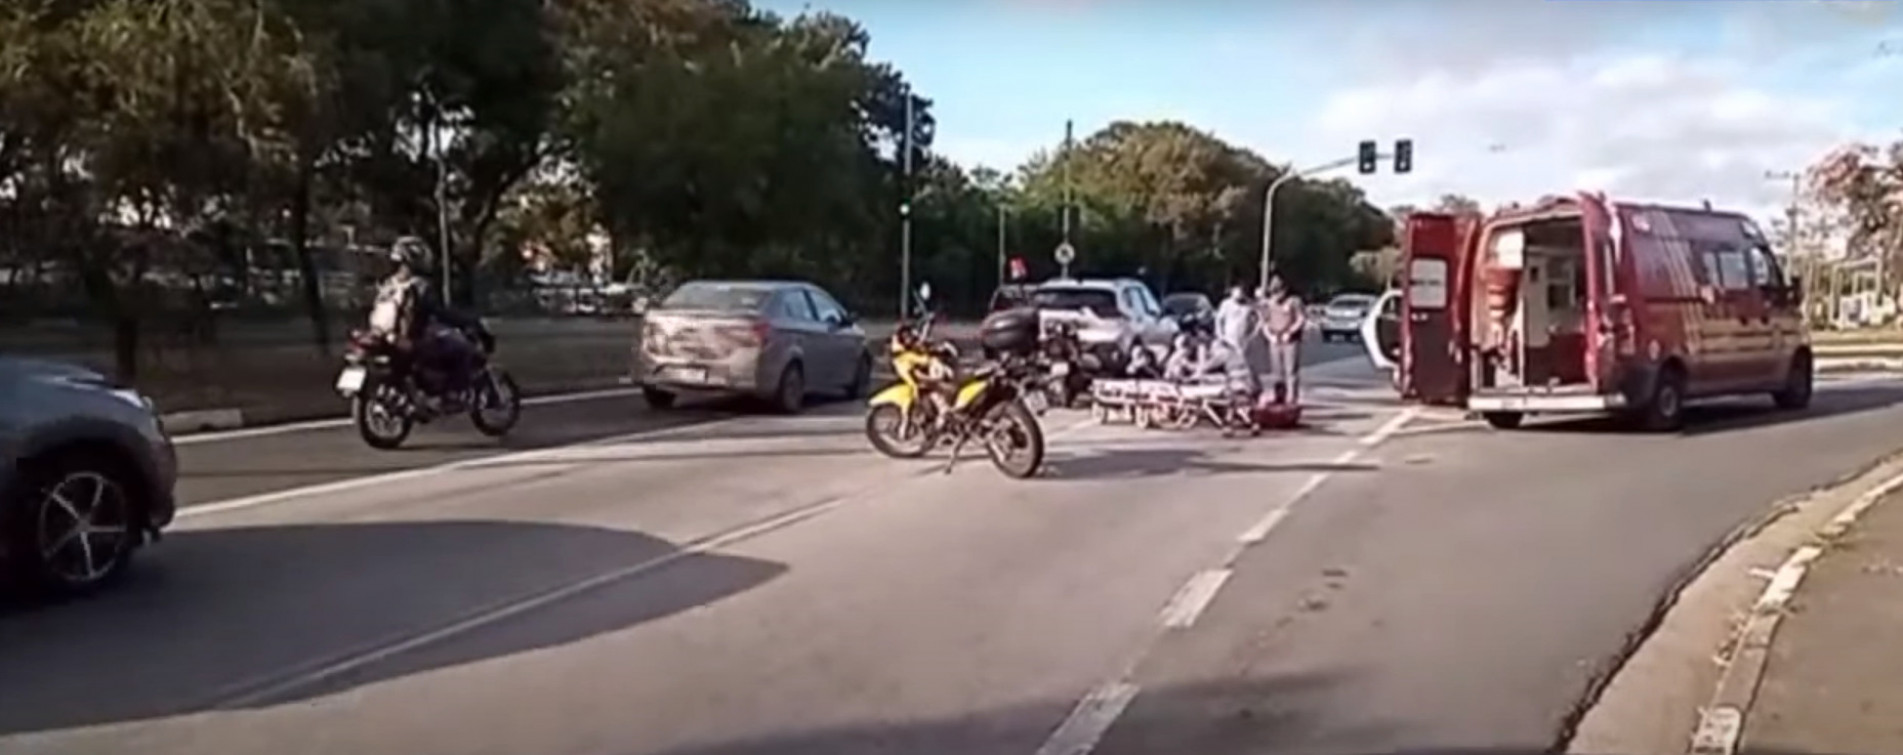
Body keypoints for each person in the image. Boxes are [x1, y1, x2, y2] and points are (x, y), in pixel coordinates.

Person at [367, 237, 487, 407]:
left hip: (385, 336)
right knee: (462, 348)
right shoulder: (420, 285)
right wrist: (467, 322)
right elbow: (441, 313)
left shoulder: (389, 284)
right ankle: (452, 394)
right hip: (413, 339)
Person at [1256, 275, 1307, 402]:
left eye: (1279, 292)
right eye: (1274, 293)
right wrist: (1270, 336)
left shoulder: (1294, 302)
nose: (1276, 296)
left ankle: (1292, 397)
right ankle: (1279, 396)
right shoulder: (1269, 304)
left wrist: (1290, 332)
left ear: (1284, 290)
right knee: (1276, 371)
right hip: (1274, 338)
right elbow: (1264, 322)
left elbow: (1301, 319)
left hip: (1290, 340)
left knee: (1290, 371)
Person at [1211, 284, 1260, 392]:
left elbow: (1259, 318)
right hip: (1228, 340)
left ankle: (1252, 387)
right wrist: (1220, 335)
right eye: (1236, 291)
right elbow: (1218, 320)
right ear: (1232, 292)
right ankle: (1230, 387)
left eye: (1241, 291)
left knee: (1246, 364)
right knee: (1229, 364)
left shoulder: (1248, 305)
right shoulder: (1226, 304)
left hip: (1243, 340)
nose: (1239, 294)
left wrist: (1254, 334)